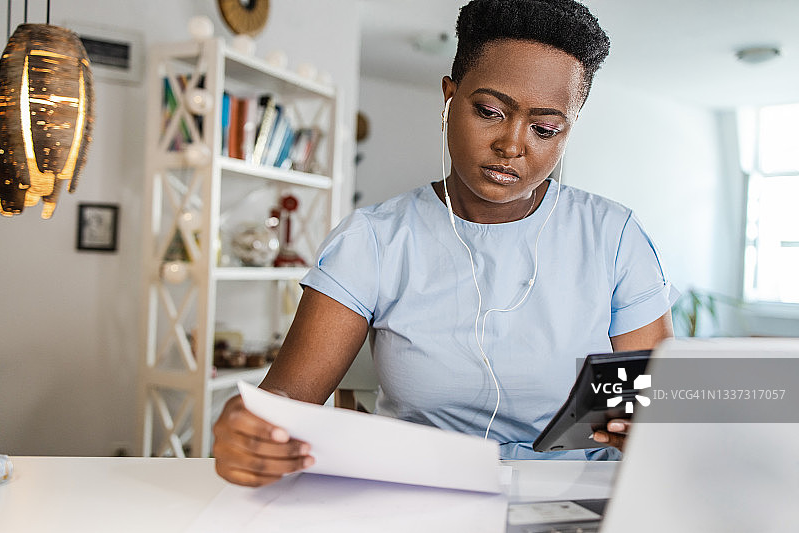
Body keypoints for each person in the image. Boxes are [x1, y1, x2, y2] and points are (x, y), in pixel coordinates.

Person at [213, 0, 678, 487]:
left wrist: (653, 428)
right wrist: (250, 427)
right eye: (490, 111)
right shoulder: (374, 241)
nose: (513, 144)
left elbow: (656, 406)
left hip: (579, 500)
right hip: (419, 494)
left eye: (545, 128)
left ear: (569, 128)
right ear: (450, 97)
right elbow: (285, 399)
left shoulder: (615, 237)